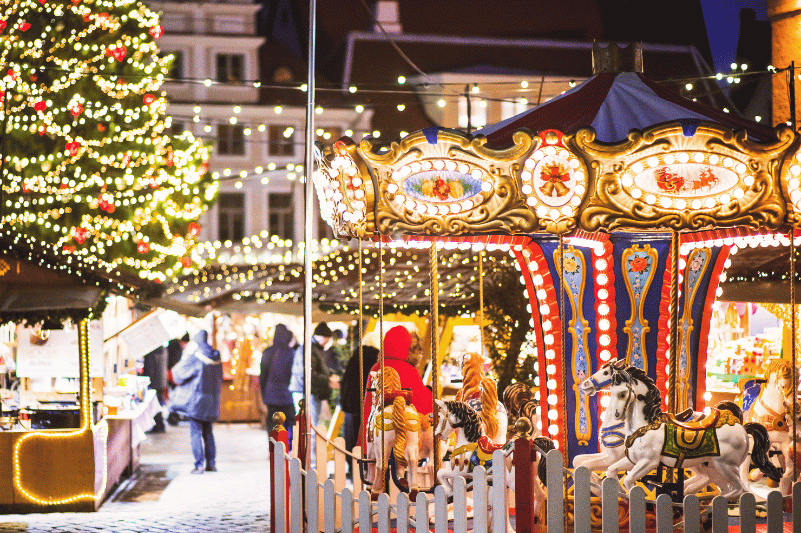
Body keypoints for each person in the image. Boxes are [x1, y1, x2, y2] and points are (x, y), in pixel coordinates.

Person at [361, 325, 432, 446]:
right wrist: (430, 392)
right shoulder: (408, 370)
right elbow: (421, 401)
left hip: (374, 430)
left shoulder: (376, 367)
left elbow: (369, 402)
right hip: (400, 433)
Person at [169, 330, 223, 474]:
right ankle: (211, 464)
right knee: (208, 432)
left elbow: (178, 374)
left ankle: (199, 465)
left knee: (195, 432)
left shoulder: (195, 356)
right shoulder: (216, 356)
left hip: (197, 400)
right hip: (212, 400)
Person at [259, 324, 297, 446]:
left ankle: (274, 449)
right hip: (287, 395)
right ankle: (288, 447)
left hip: (271, 396)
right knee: (290, 424)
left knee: (273, 425)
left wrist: (264, 395)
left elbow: (263, 376)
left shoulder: (268, 352)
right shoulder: (291, 353)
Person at [339, 345, 379, 453]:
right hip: (363, 404)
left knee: (350, 437)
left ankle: (351, 464)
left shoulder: (356, 357)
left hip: (350, 402)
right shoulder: (373, 358)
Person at [309, 322, 333, 428]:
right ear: (318, 336)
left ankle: (311, 444)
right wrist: (329, 379)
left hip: (313, 391)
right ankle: (311, 445)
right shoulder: (311, 349)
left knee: (314, 423)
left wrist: (330, 375)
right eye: (325, 338)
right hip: (309, 392)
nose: (327, 341)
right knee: (312, 425)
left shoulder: (316, 348)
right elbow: (311, 374)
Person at [141, 345, 168, 433]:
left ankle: (157, 425)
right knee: (159, 403)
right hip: (162, 380)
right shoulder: (164, 350)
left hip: (153, 381)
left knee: (154, 404)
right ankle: (160, 425)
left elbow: (149, 368)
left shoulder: (151, 352)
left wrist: (145, 380)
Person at [166, 333, 190, 426]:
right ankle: (173, 415)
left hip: (169, 375)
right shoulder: (177, 348)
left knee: (172, 396)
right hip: (172, 376)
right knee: (175, 396)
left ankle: (173, 415)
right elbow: (176, 364)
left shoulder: (172, 344)